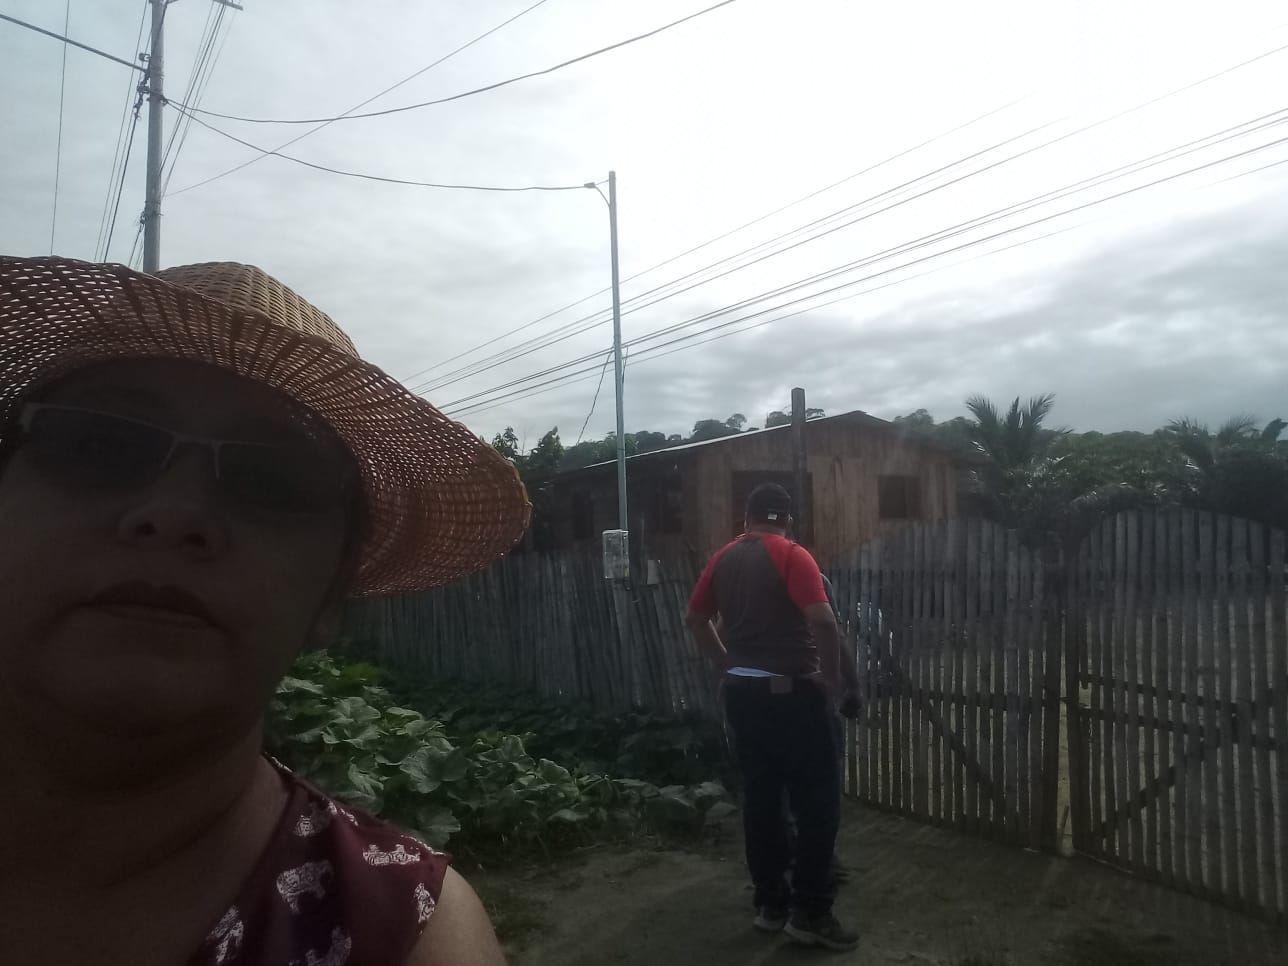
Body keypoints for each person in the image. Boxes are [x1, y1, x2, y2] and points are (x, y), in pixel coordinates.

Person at [0, 256, 531, 965]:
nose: (175, 512)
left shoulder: (403, 933)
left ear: (330, 597)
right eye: (98, 443)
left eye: (274, 479)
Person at [685, 483, 860, 951]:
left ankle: (770, 905)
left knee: (762, 801)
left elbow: (695, 621)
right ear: (788, 520)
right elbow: (823, 620)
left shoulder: (723, 558)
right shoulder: (791, 554)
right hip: (791, 696)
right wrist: (829, 678)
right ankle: (811, 913)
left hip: (743, 697)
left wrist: (728, 665)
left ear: (747, 518)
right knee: (817, 804)